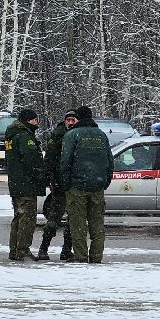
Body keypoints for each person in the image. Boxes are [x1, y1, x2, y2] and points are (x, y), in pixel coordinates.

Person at [61, 105, 113, 263]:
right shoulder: (101, 135)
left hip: (77, 186)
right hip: (97, 185)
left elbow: (65, 161)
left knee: (78, 224)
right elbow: (110, 161)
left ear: (78, 117)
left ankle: (81, 257)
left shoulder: (72, 135)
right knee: (97, 224)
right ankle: (96, 257)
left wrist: (66, 184)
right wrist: (104, 182)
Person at [4, 107, 46, 261]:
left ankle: (14, 250)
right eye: (35, 120)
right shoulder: (24, 136)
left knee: (18, 218)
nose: (36, 123)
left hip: (16, 183)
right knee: (27, 219)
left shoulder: (12, 135)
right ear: (28, 120)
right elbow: (31, 159)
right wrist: (40, 175)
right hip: (26, 184)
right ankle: (22, 250)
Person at [37, 109, 78, 261]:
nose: (70, 123)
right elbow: (49, 159)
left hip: (74, 182)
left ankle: (66, 249)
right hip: (60, 183)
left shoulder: (78, 135)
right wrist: (51, 179)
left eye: (73, 120)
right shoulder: (58, 135)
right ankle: (43, 248)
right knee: (54, 217)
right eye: (68, 120)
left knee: (73, 219)